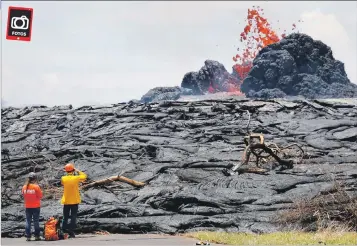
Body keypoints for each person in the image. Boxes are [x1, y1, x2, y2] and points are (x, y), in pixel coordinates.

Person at [60, 163, 87, 238]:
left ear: (66, 171)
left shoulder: (63, 178)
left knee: (65, 216)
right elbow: (84, 176)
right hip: (74, 200)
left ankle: (64, 230)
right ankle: (71, 232)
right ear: (73, 170)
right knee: (73, 216)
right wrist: (77, 170)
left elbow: (62, 183)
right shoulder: (76, 178)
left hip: (66, 200)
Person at [22, 172, 43, 241]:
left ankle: (28, 236)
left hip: (27, 206)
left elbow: (23, 195)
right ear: (35, 179)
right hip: (36, 206)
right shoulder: (36, 187)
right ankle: (37, 236)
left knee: (28, 221)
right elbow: (40, 196)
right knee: (36, 221)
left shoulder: (24, 187)